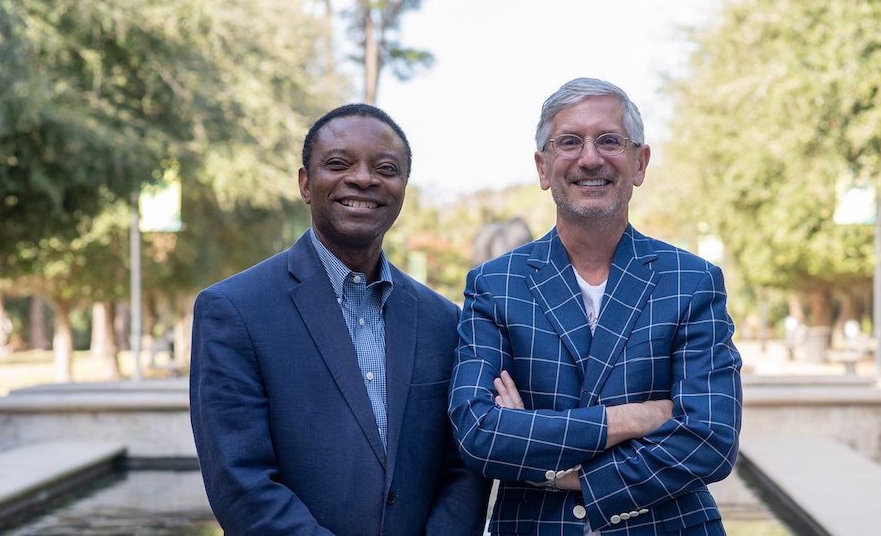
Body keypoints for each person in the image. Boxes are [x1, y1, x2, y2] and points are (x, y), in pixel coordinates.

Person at [449, 78, 743, 535]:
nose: (590, 158)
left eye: (609, 140)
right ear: (543, 167)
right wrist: (630, 418)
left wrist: (566, 471)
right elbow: (480, 434)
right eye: (569, 142)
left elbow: (711, 439)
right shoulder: (494, 284)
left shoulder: (692, 281)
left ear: (639, 163)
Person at [191, 103, 490, 535]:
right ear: (305, 183)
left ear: (403, 186)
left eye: (385, 168)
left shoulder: (443, 320)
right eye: (338, 164)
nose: (364, 178)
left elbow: (462, 466)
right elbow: (240, 482)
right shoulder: (233, 310)